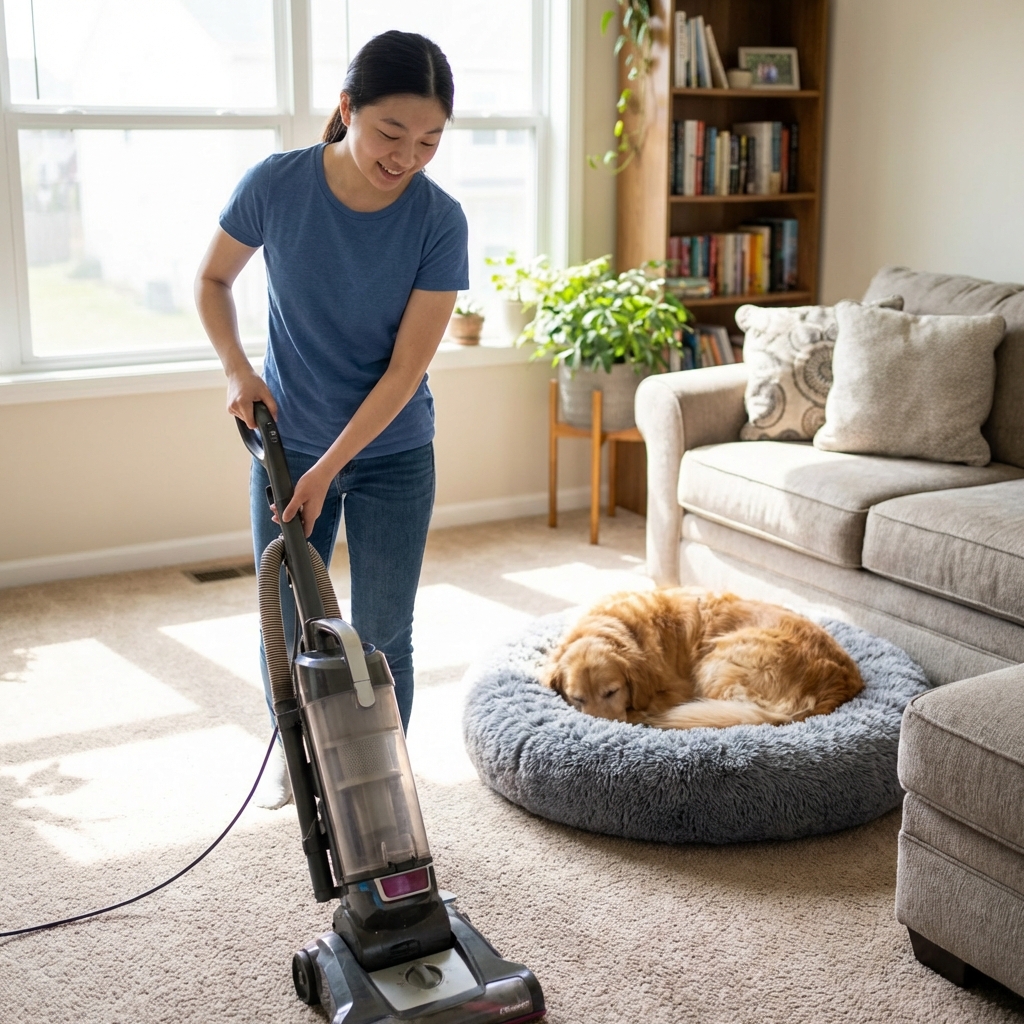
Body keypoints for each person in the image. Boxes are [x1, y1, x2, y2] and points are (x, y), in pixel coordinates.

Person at [195, 31, 468, 807]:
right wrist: (237, 370)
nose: (407, 156)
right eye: (391, 133)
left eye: (429, 141)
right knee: (286, 631)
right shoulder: (277, 187)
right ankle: (304, 759)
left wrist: (327, 469)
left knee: (383, 639)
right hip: (288, 447)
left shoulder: (439, 222)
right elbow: (213, 278)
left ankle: (383, 790)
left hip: (392, 452)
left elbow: (405, 369)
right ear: (347, 108)